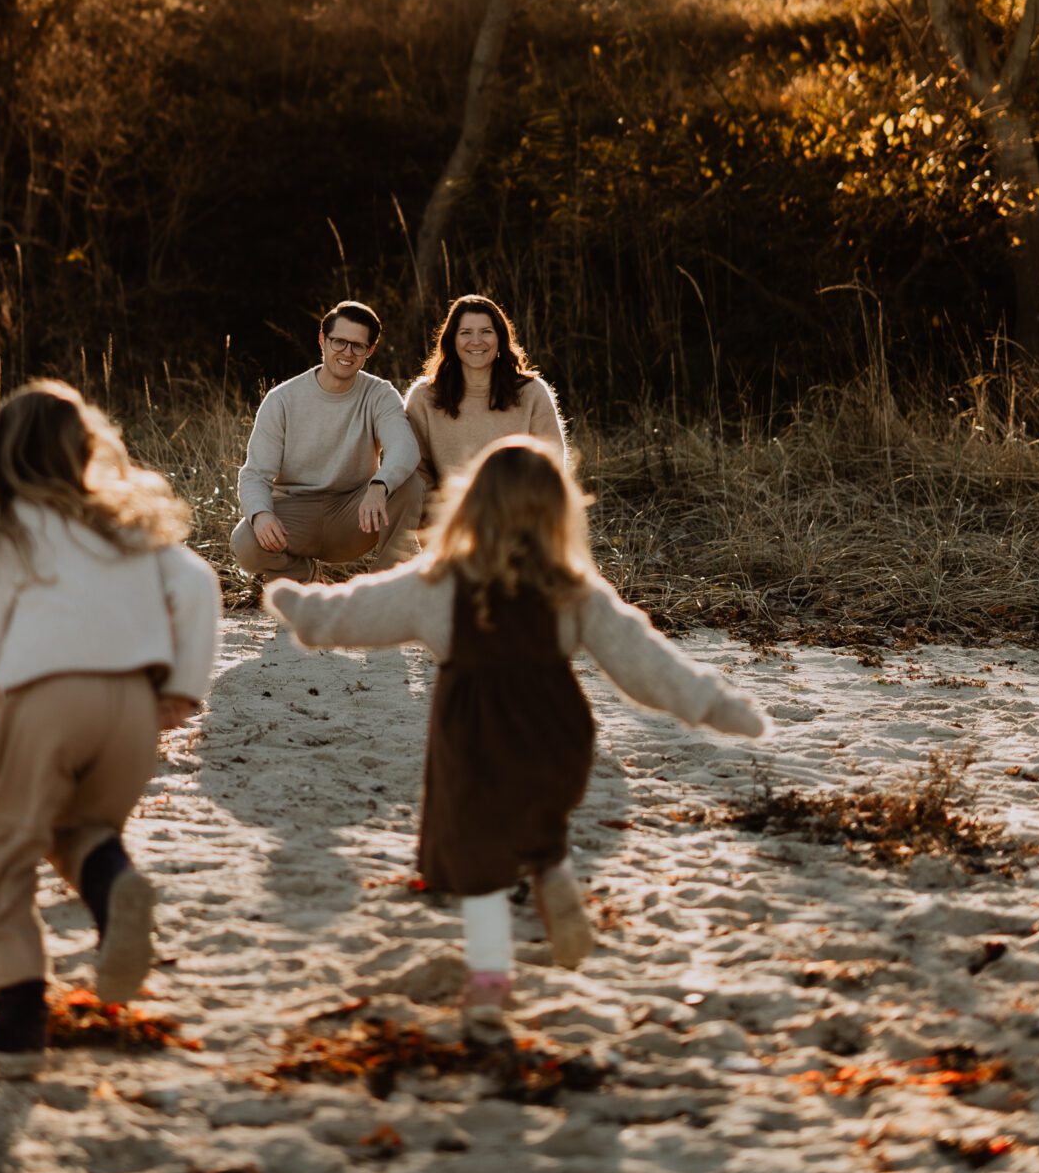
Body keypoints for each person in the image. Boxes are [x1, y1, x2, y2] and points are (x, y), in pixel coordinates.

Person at [265, 436, 768, 1029]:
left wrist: (305, 610)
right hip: (555, 739)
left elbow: (360, 610)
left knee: (478, 861)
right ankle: (552, 870)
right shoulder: (572, 588)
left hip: (475, 742)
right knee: (537, 821)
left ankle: (489, 979)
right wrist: (716, 705)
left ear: (473, 505)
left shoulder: (442, 582)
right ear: (558, 513)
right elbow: (644, 663)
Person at [0, 380, 221, 1070]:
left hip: (46, 703)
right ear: (84, 449)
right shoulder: (123, 522)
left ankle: (18, 1020)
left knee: (4, 858)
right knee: (79, 830)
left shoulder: (1, 524)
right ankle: (113, 885)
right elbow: (197, 584)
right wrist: (182, 685)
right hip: (130, 708)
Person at [230, 300, 423, 581]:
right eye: (339, 342)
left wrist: (379, 486)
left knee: (410, 483)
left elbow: (404, 448)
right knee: (245, 542)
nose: (347, 352)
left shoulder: (380, 394)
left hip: (355, 514)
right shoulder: (282, 400)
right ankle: (301, 580)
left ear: (370, 350)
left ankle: (385, 591)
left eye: (357, 346)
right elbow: (255, 474)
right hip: (295, 514)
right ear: (322, 340)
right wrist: (260, 515)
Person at [404, 291, 566, 526]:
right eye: (466, 333)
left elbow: (551, 465)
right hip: (451, 521)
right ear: (452, 341)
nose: (476, 341)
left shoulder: (531, 392)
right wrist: (439, 517)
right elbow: (416, 471)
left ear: (500, 338)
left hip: (518, 518)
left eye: (486, 332)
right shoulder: (424, 396)